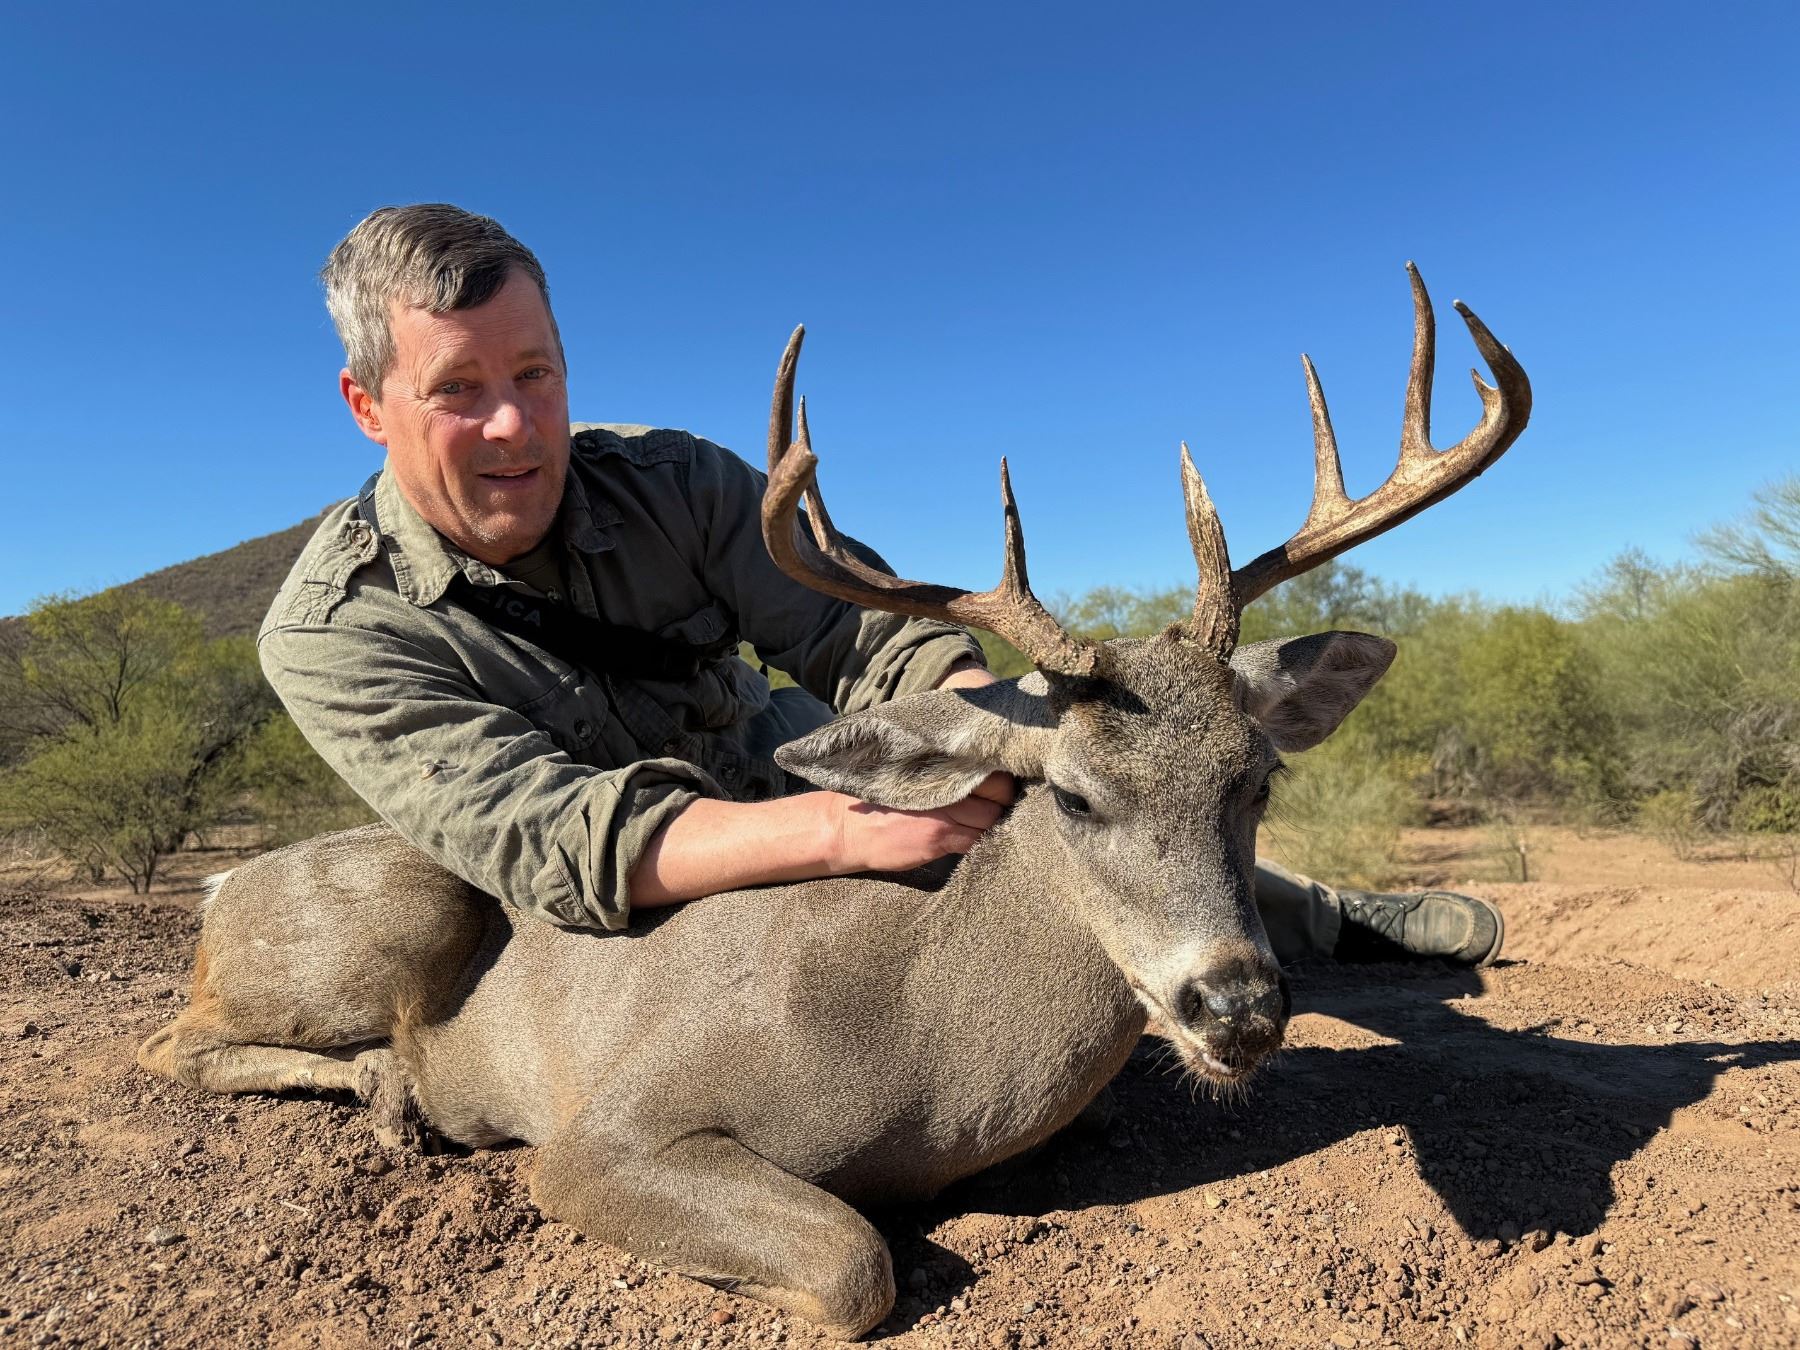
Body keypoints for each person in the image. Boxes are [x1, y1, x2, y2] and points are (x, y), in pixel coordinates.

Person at [259, 203, 1503, 970]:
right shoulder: (332, 633)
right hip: (625, 882)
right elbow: (552, 838)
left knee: (1072, 782)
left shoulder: (675, 483)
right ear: (367, 405)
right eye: (459, 390)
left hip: (794, 754)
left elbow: (861, 640)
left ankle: (1316, 921)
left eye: (536, 374)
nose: (515, 425)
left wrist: (983, 729)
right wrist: (841, 832)